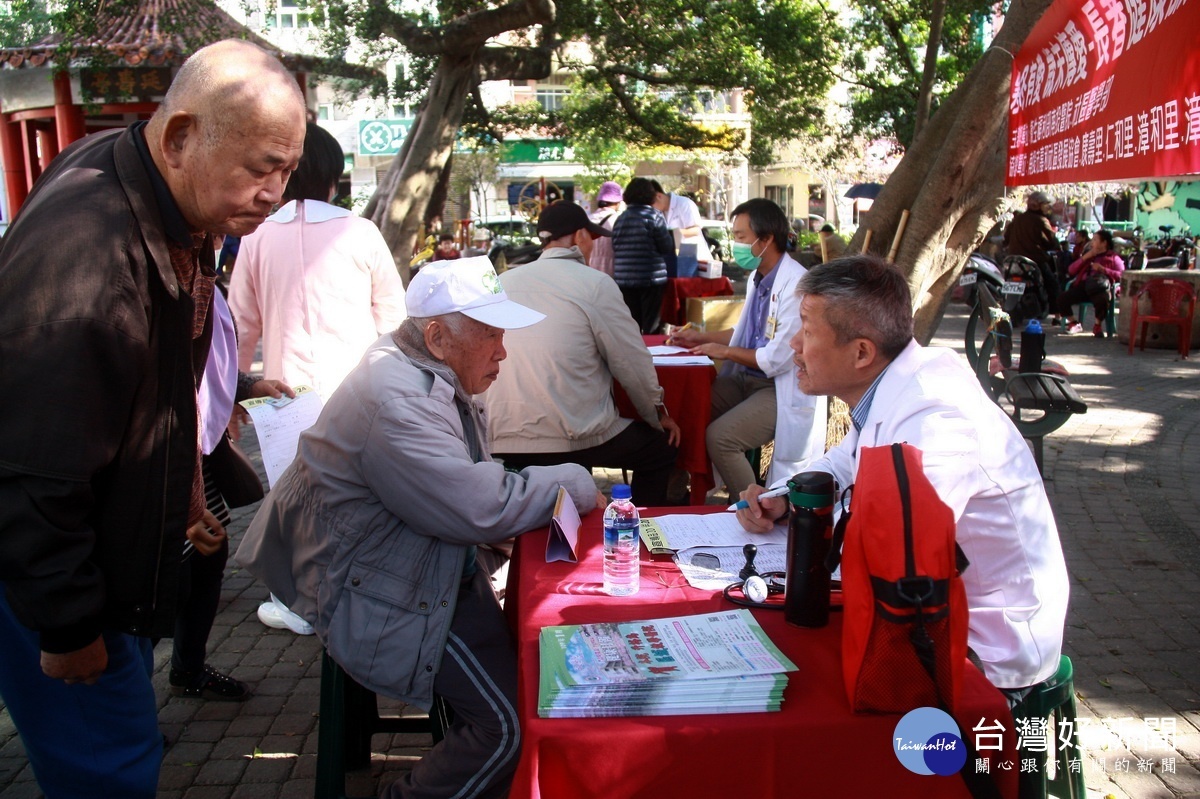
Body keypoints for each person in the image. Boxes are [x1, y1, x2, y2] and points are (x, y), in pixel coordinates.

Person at [0, 39, 306, 798]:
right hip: (58, 563)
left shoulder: (170, 200)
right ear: (178, 138)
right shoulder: (90, 255)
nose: (275, 192)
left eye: (289, 170)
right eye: (262, 167)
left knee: (119, 743)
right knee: (111, 762)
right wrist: (66, 624)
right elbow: (36, 461)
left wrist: (187, 487)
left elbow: (166, 378)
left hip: (108, 544)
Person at [235, 256, 601, 799]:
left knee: (536, 663)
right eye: (492, 336)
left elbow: (470, 490)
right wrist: (575, 481)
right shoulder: (397, 398)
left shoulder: (420, 368)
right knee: (510, 726)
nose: (503, 351)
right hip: (374, 582)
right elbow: (474, 505)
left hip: (403, 561)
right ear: (436, 336)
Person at [737, 256, 1069, 693]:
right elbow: (843, 461)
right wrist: (785, 496)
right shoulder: (888, 388)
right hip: (915, 619)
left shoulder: (936, 419)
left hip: (982, 651)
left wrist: (815, 512)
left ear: (861, 352)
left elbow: (895, 538)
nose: (794, 344)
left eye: (807, 329)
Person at [487, 202, 682, 506]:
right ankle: (642, 538)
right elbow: (632, 362)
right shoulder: (595, 284)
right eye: (591, 237)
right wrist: (657, 414)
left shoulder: (503, 282)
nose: (592, 244)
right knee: (660, 448)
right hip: (571, 437)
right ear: (579, 236)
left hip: (499, 437)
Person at [230, 122, 407, 402]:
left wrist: (232, 393)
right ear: (332, 179)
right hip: (360, 392)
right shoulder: (361, 231)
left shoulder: (257, 236)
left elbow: (240, 324)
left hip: (284, 395)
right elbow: (393, 316)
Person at [669, 198, 825, 492]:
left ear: (766, 239)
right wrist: (700, 337)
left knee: (721, 438)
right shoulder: (759, 277)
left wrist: (724, 353)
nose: (736, 245)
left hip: (778, 388)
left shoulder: (796, 285)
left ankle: (754, 509)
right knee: (690, 409)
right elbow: (744, 335)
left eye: (741, 237)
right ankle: (679, 494)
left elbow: (776, 358)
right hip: (746, 379)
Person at [612, 177, 674, 333]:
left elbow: (615, 245)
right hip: (650, 278)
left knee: (632, 323)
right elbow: (666, 246)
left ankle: (633, 354)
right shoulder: (654, 216)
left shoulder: (621, 218)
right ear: (650, 195)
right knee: (651, 324)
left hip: (624, 278)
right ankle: (652, 353)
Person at [1056, 228, 1125, 337]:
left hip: (1100, 286)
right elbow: (1071, 270)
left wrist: (1103, 270)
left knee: (1103, 299)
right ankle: (1074, 323)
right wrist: (1085, 257)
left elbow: (1122, 275)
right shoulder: (1089, 255)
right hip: (1084, 286)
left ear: (1104, 243)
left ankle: (1097, 325)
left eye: (1095, 240)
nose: (1092, 242)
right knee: (1062, 298)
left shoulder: (1113, 258)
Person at [1004, 190, 1060, 297]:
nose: (1048, 208)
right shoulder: (1041, 220)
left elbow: (1006, 238)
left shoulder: (1018, 219)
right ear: (1038, 205)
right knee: (1053, 284)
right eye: (1046, 205)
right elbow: (1052, 241)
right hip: (1035, 261)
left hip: (1014, 259)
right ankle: (1057, 312)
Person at [651, 179, 711, 276]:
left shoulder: (684, 204)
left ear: (659, 196)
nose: (651, 208)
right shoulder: (659, 212)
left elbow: (696, 230)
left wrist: (674, 233)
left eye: (651, 205)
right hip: (673, 259)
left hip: (694, 259)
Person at [587, 180, 624, 276]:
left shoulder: (588, 220)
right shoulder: (619, 221)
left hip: (590, 273)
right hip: (611, 273)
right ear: (618, 202)